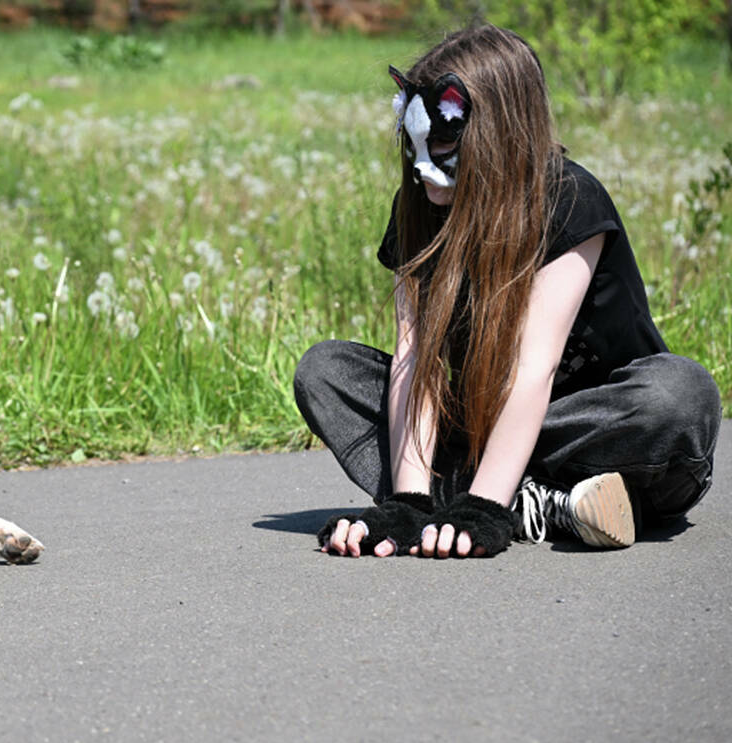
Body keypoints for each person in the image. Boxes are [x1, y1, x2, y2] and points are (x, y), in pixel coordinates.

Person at [292, 25, 722, 559]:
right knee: (325, 371)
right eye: (413, 143)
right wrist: (407, 503)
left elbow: (533, 367)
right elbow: (414, 361)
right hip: (482, 428)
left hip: (602, 435)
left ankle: (498, 496)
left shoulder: (568, 199)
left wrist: (483, 507)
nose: (422, 165)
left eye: (442, 144)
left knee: (679, 394)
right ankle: (546, 504)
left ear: (497, 135)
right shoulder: (420, 207)